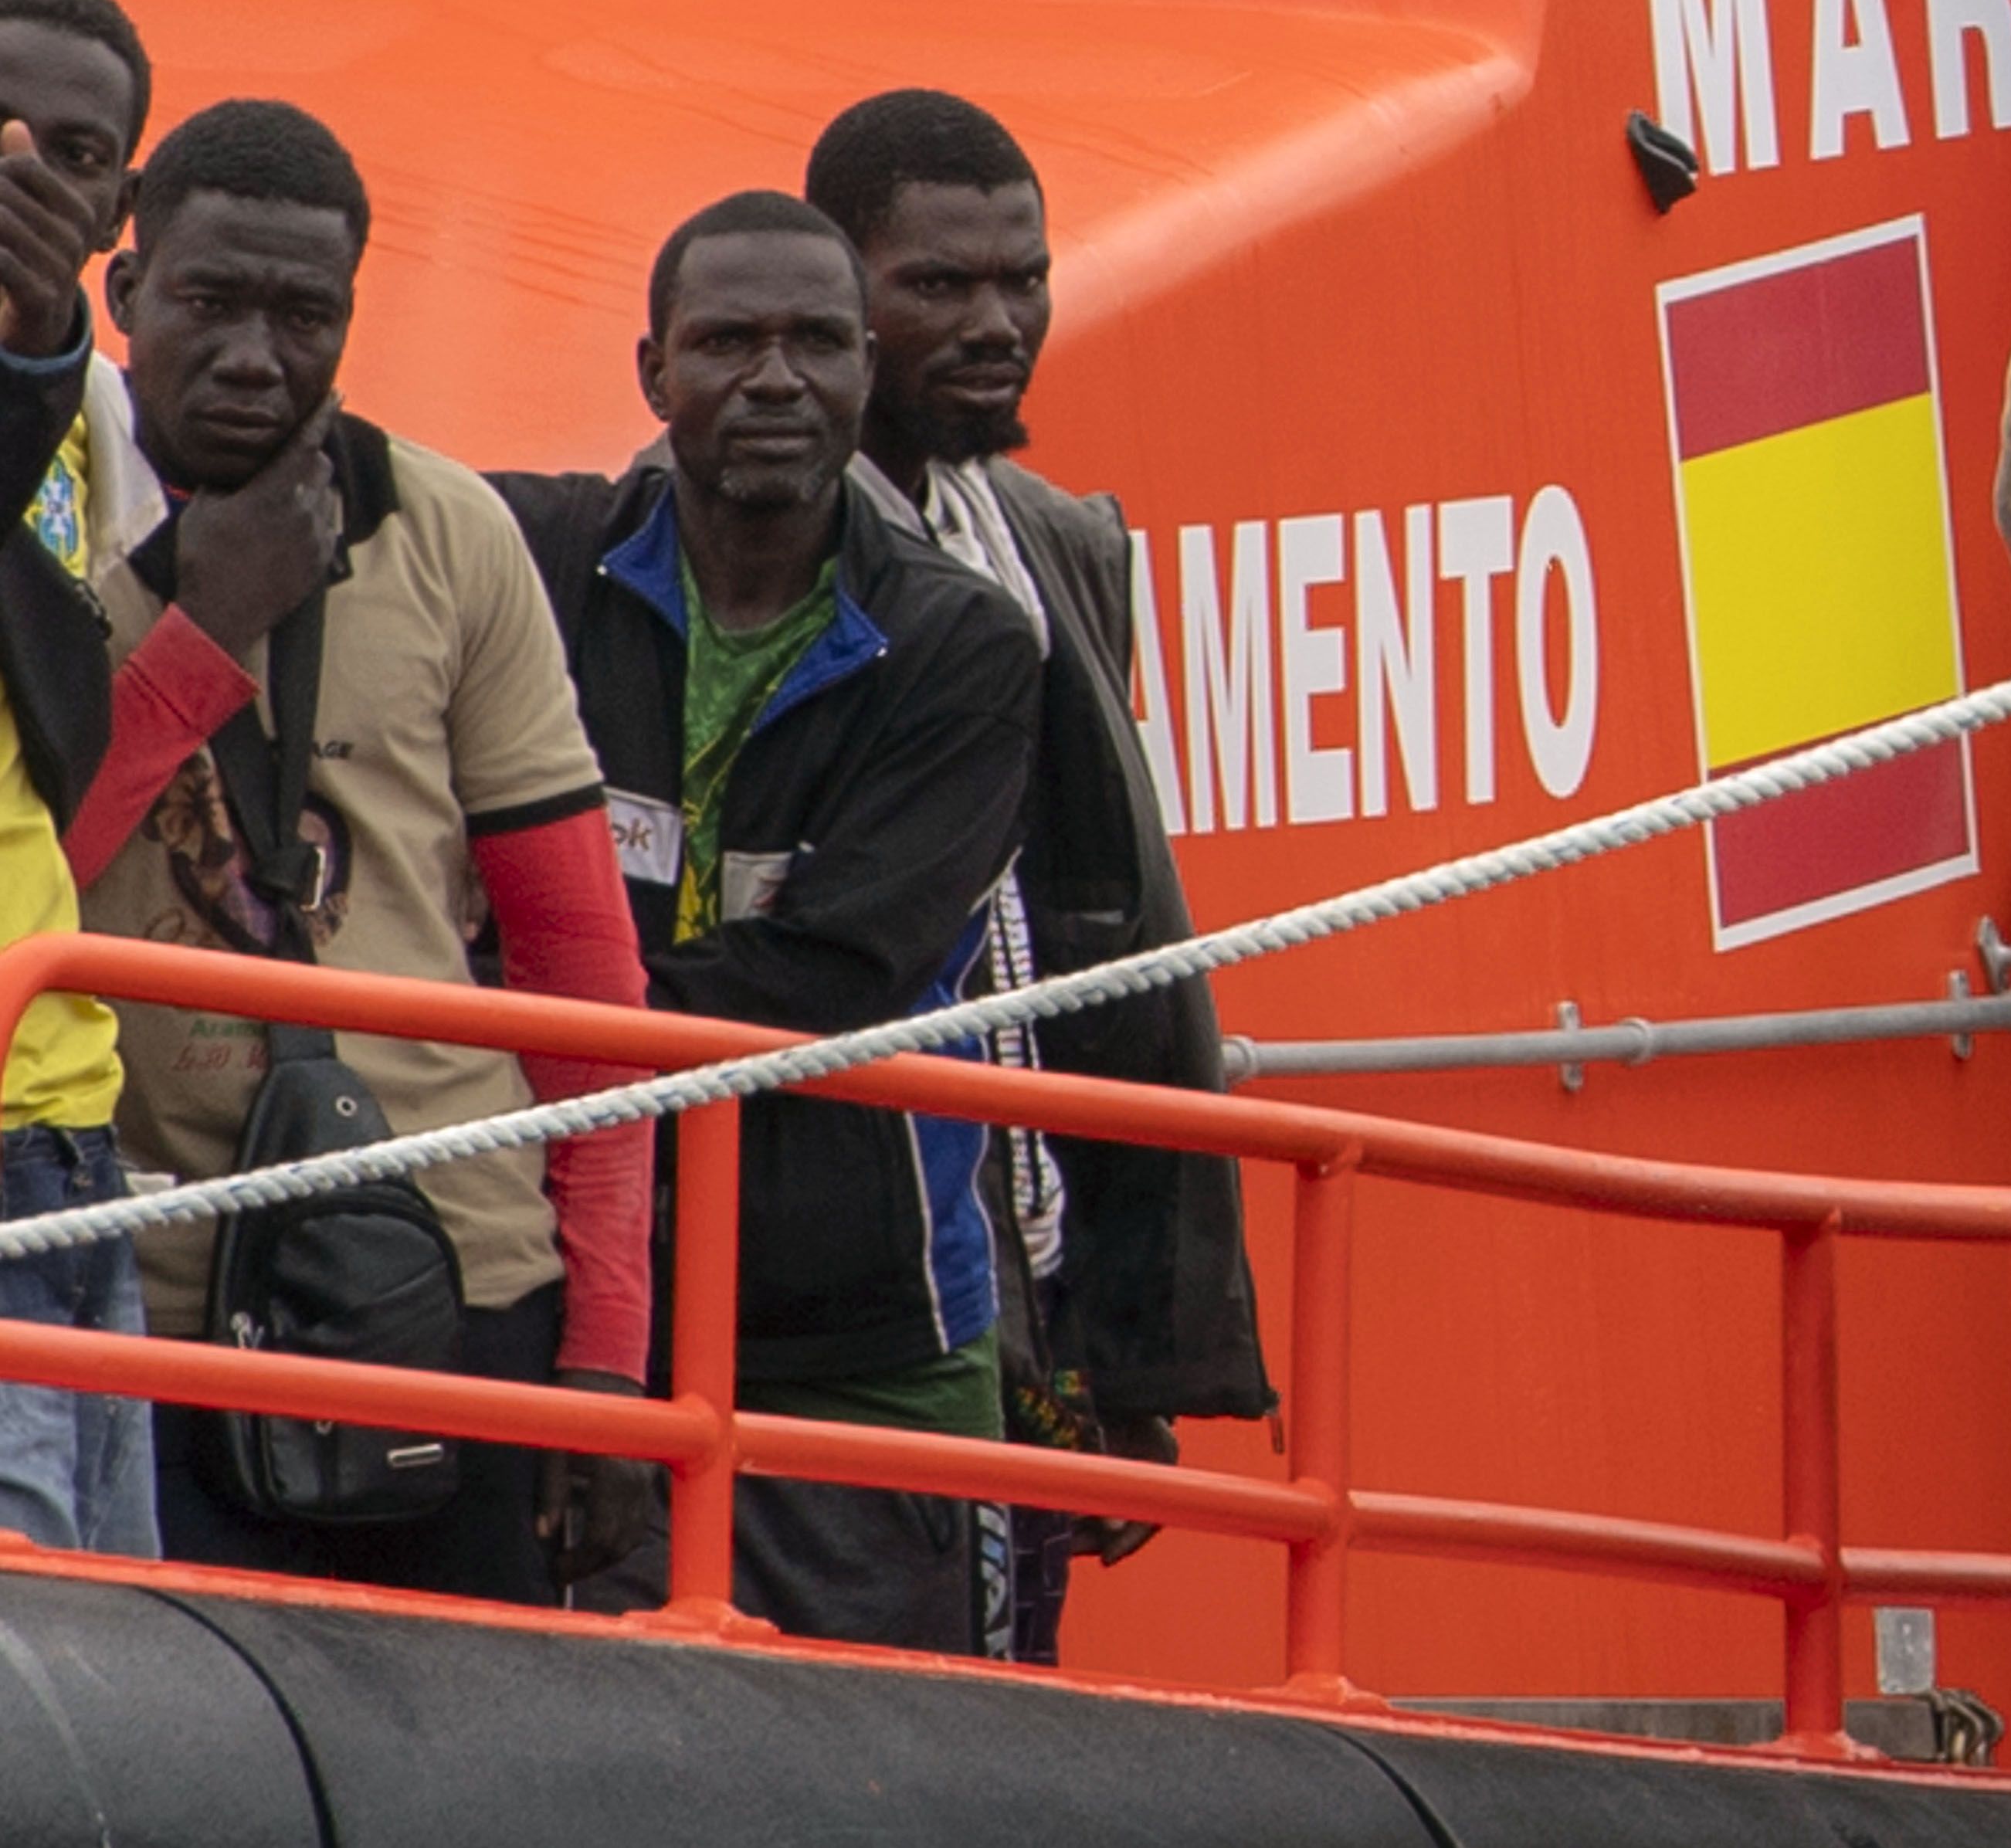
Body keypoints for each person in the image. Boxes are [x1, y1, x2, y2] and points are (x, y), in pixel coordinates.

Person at [62, 102, 660, 1601]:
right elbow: (32, 869)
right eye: (211, 300)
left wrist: (604, 1352)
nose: (257, 351)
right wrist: (203, 631)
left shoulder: (452, 528)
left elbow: (582, 966)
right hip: (135, 1285)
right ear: (126, 292)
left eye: (304, 311)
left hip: (456, 1275)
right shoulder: (48, 526)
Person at [504, 195, 1037, 1655]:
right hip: (565, 1309)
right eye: (727, 340)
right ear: (650, 373)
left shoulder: (963, 645)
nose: (774, 377)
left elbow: (832, 979)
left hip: (861, 1344)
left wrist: (509, 1012)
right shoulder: (531, 563)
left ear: (870, 368)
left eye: (814, 340)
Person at [805, 89, 1269, 1662]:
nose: (997, 322)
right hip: (849, 1292)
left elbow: (1124, 960)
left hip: (1034, 1272)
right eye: (940, 283)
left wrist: (1121, 1356)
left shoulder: (1047, 542)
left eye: (1025, 278)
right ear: (836, 290)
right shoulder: (761, 555)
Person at [0, 0, 154, 1556]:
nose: (31, 174)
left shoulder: (105, 416)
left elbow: (71, 743)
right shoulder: (51, 383)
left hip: (65, 1115)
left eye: (78, 154)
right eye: (4, 131)